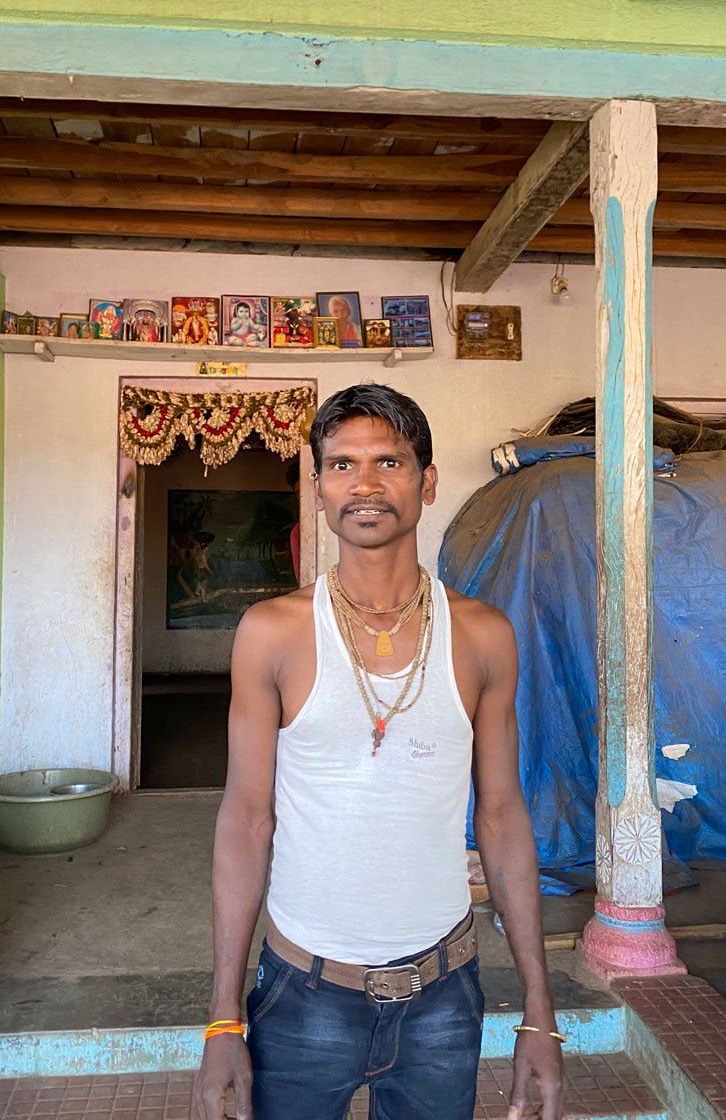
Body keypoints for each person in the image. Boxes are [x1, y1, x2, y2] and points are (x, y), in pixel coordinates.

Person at [192, 384, 564, 1120]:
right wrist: (222, 1016)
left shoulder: (482, 634)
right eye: (340, 465)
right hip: (300, 994)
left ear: (426, 483)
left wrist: (538, 1011)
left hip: (443, 996)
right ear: (319, 487)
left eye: (388, 461)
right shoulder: (273, 632)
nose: (363, 483)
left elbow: (500, 817)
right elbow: (245, 820)